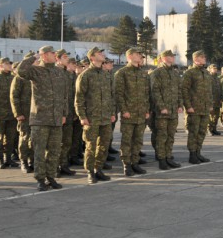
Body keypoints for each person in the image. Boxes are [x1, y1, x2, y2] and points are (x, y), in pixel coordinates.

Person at [16, 46, 67, 191]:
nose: (55, 54)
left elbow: (65, 95)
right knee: (39, 150)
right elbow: (20, 71)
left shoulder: (59, 72)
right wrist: (33, 58)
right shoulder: (36, 71)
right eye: (52, 53)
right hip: (40, 118)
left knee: (54, 150)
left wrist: (64, 114)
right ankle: (40, 178)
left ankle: (51, 176)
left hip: (56, 118)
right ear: (44, 55)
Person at [76, 47, 115, 184]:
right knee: (91, 146)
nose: (103, 55)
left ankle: (98, 169)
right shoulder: (85, 75)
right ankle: (90, 171)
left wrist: (112, 113)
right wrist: (82, 116)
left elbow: (111, 96)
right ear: (92, 58)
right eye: (100, 53)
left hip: (105, 117)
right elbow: (79, 98)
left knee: (104, 145)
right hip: (91, 118)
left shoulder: (106, 74)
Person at [114, 48, 150, 176]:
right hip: (129, 113)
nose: (140, 56)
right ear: (129, 57)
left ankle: (135, 162)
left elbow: (146, 94)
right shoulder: (122, 73)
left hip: (141, 113)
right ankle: (126, 165)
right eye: (137, 54)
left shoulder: (142, 73)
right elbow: (119, 94)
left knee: (138, 140)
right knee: (127, 140)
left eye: (140, 54)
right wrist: (124, 110)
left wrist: (147, 110)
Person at [149, 50, 183, 170]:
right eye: (170, 56)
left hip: (173, 110)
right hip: (162, 111)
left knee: (170, 135)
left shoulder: (174, 73)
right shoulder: (157, 73)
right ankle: (161, 159)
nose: (172, 58)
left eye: (173, 56)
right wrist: (161, 107)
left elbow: (179, 90)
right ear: (163, 58)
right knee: (161, 136)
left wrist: (180, 104)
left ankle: (168, 157)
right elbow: (155, 92)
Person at [181, 50, 214, 164]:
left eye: (204, 57)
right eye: (202, 57)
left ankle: (198, 152)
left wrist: (210, 104)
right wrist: (188, 106)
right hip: (194, 108)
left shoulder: (206, 73)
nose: (205, 59)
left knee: (202, 131)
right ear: (196, 59)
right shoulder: (189, 73)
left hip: (204, 108)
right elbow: (184, 90)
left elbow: (209, 91)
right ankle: (192, 154)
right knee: (193, 132)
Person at [10, 57, 34, 174]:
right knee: (24, 138)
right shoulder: (19, 78)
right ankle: (24, 161)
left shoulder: (36, 76)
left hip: (37, 115)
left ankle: (32, 161)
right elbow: (14, 97)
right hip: (24, 114)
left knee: (34, 140)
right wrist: (18, 113)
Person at [207, 64, 222, 136]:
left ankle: (214, 129)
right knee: (210, 115)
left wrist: (220, 98)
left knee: (216, 116)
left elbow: (220, 89)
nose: (215, 69)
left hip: (217, 100)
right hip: (211, 100)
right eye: (213, 68)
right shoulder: (208, 78)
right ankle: (209, 129)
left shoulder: (217, 78)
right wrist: (210, 100)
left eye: (216, 68)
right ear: (210, 69)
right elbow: (208, 90)